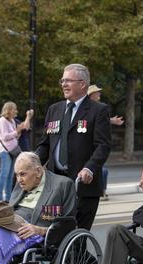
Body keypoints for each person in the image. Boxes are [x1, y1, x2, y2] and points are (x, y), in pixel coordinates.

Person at [35, 63, 111, 230]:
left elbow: (103, 146)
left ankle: (80, 256)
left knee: (76, 236)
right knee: (50, 232)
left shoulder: (98, 110)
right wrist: (32, 163)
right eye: (62, 80)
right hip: (55, 186)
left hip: (82, 186)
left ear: (82, 83)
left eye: (68, 80)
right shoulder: (54, 109)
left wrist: (89, 169)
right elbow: (45, 144)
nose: (63, 84)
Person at [87, 84, 125, 200]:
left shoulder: (98, 107)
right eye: (97, 92)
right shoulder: (88, 108)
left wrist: (112, 121)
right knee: (101, 170)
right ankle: (100, 191)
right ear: (91, 95)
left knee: (101, 170)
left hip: (99, 145)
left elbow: (99, 121)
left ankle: (101, 191)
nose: (99, 94)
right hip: (92, 145)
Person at [0, 101, 33, 202]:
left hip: (13, 150)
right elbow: (4, 136)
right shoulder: (2, 121)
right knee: (4, 174)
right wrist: (16, 131)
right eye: (14, 109)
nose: (16, 111)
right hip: (5, 150)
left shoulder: (12, 121)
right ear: (9, 110)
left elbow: (17, 134)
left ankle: (8, 199)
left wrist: (19, 131)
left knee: (10, 175)